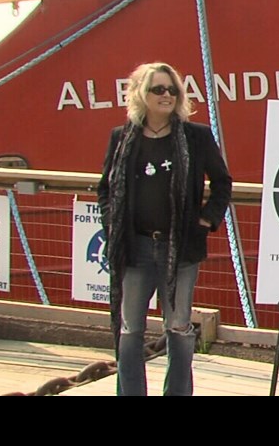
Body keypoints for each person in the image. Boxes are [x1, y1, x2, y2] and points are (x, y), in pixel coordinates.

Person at [97, 61, 232, 396]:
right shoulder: (122, 138)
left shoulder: (196, 137)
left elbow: (222, 182)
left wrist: (206, 219)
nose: (167, 95)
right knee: (130, 330)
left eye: (172, 89)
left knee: (178, 327)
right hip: (135, 248)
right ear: (142, 94)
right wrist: (112, 222)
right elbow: (105, 188)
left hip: (181, 248)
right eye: (158, 89)